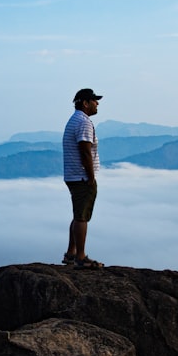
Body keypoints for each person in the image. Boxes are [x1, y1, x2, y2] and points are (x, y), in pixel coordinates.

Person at [62, 88, 104, 268]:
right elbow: (85, 150)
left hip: (74, 175)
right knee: (82, 217)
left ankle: (71, 253)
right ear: (85, 103)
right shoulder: (84, 122)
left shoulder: (75, 120)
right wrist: (91, 176)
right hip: (81, 177)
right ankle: (80, 257)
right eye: (94, 100)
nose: (97, 103)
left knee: (78, 214)